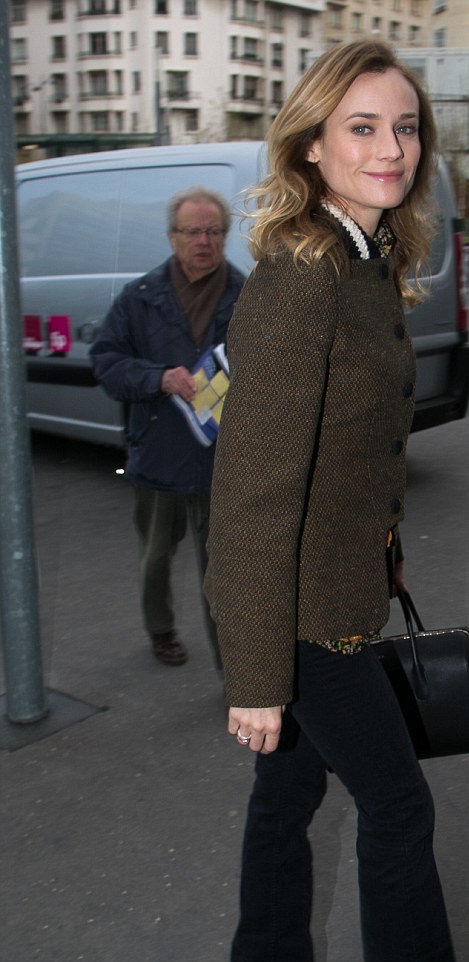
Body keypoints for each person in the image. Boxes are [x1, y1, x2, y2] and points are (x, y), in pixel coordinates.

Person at [206, 40, 469, 962]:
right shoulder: (303, 277)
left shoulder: (362, 255)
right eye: (362, 126)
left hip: (339, 591)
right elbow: (253, 493)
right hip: (306, 620)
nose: (392, 148)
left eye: (406, 127)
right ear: (311, 144)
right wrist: (256, 676)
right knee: (399, 811)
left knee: (284, 801)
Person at [91, 186, 244, 668]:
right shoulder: (140, 298)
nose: (204, 241)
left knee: (223, 575)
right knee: (156, 556)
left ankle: (234, 675)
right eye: (193, 231)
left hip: (223, 460)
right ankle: (160, 629)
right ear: (172, 236)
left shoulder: (248, 296)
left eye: (213, 231)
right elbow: (106, 362)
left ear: (225, 236)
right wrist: (157, 378)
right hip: (159, 453)